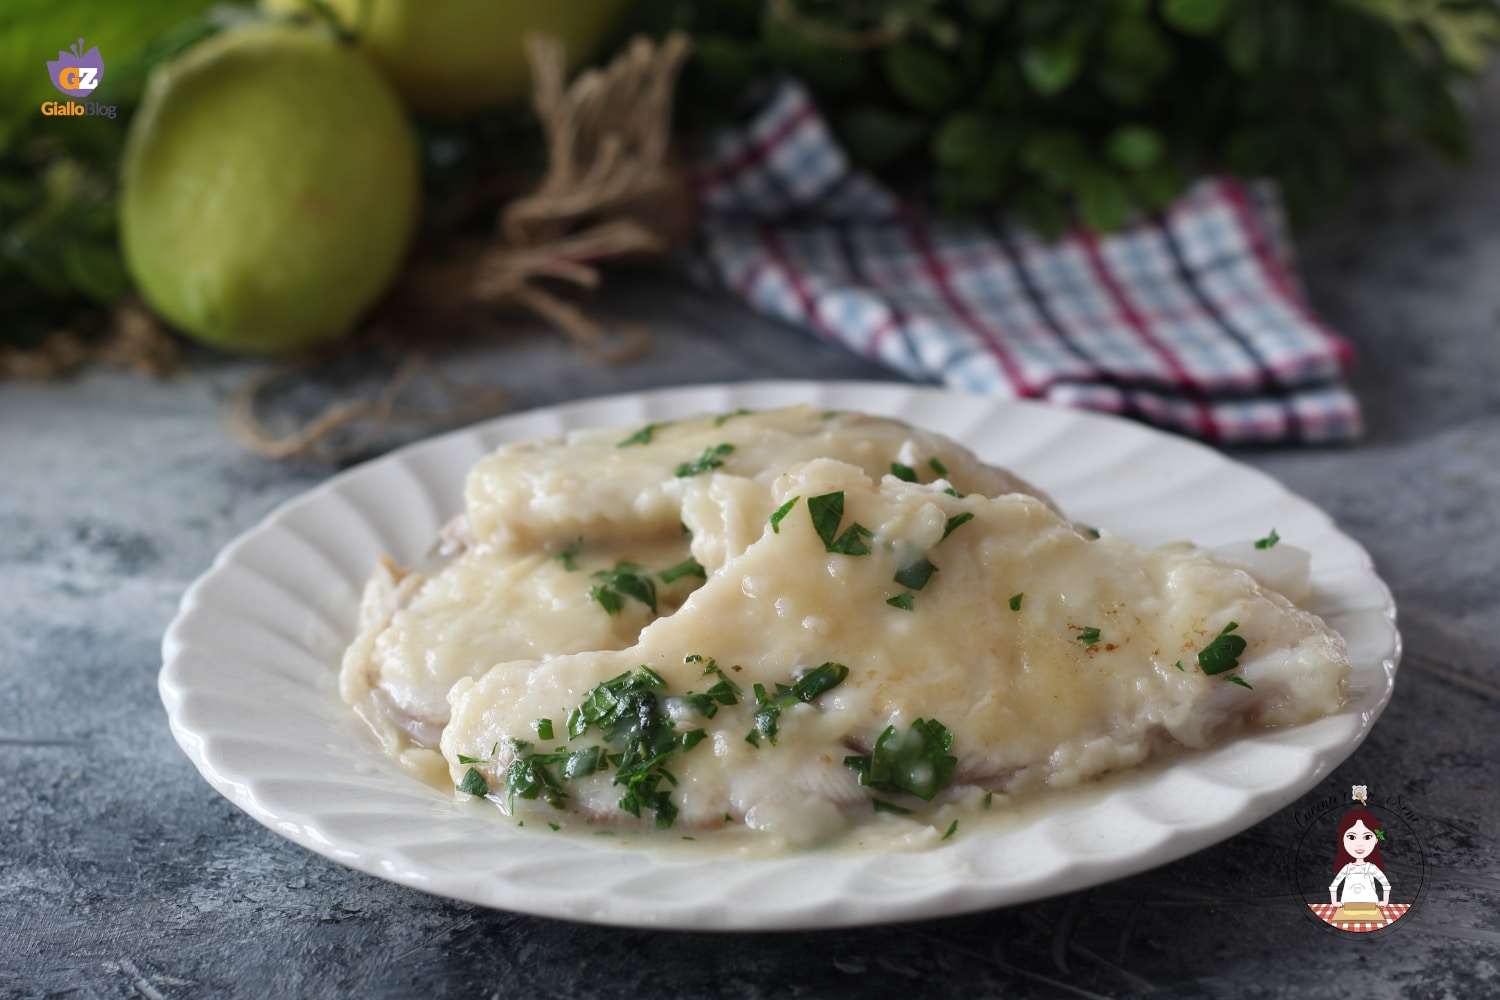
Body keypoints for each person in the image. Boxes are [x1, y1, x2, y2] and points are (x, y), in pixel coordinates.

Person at [1329, 806, 1391, 907]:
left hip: (1370, 906)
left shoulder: (1371, 868)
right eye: (1352, 837)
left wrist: (1384, 901)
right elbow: (1333, 885)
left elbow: (1386, 884)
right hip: (1348, 906)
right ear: (1343, 840)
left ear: (1376, 840)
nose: (1359, 844)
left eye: (1367, 837)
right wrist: (1335, 902)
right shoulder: (1347, 868)